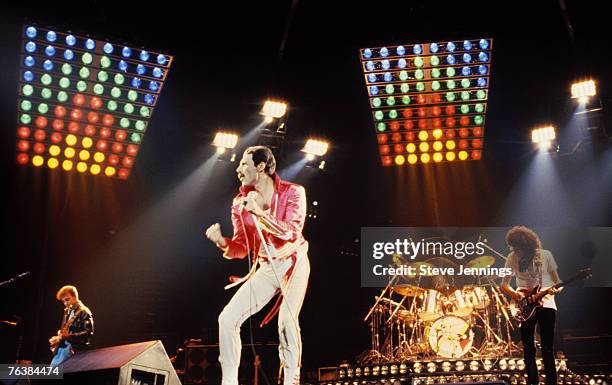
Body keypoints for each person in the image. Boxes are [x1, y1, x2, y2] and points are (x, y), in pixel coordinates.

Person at [205, 146, 310, 385]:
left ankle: (292, 378)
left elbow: (292, 233)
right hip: (267, 268)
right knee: (227, 318)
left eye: (244, 164)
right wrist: (222, 242)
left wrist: (261, 216)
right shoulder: (240, 203)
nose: (238, 169)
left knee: (286, 321)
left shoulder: (293, 192)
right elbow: (242, 247)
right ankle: (229, 381)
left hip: (293, 261)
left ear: (260, 166)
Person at [501, 226, 562, 385]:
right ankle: (532, 382)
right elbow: (504, 285)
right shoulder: (511, 257)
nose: (515, 251)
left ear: (527, 246)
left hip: (547, 303)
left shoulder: (545, 255)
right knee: (528, 349)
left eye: (518, 248)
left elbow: (558, 282)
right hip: (524, 305)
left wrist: (557, 289)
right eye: (514, 248)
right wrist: (517, 295)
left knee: (548, 348)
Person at [49, 285, 94, 366]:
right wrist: (58, 338)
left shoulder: (84, 311)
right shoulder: (68, 311)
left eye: (67, 300)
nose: (66, 303)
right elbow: (66, 332)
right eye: (63, 301)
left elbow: (89, 333)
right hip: (64, 350)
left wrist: (69, 336)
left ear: (75, 297)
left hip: (74, 350)